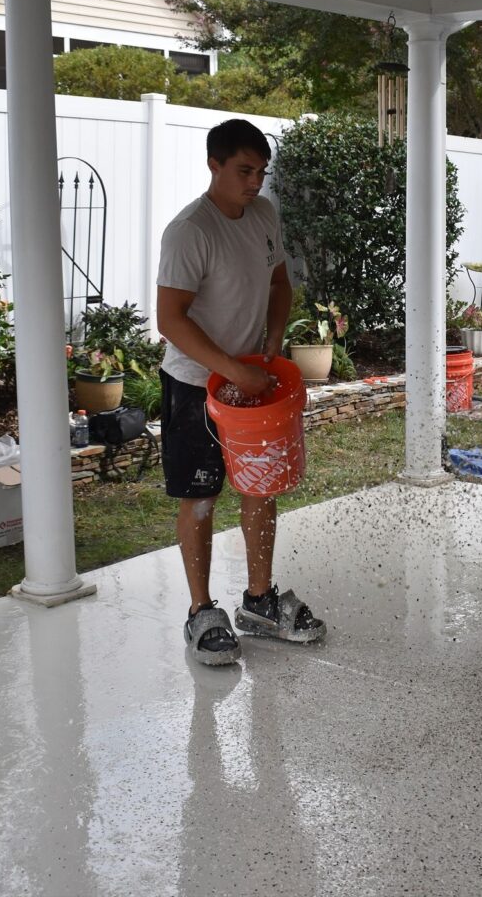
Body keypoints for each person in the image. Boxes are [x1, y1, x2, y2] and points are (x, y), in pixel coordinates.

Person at [157, 118, 326, 666]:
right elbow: (170, 319)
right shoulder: (190, 232)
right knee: (201, 496)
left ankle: (258, 601)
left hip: (250, 381)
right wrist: (230, 369)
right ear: (215, 165)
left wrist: (272, 346)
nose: (255, 183)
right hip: (194, 385)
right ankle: (201, 612)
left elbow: (280, 284)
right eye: (244, 171)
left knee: (260, 487)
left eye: (261, 172)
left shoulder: (263, 216)